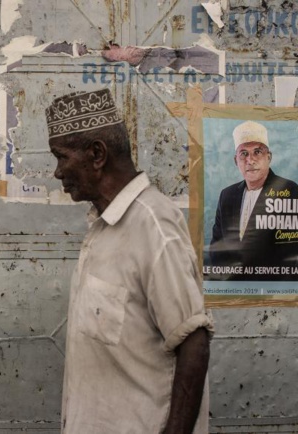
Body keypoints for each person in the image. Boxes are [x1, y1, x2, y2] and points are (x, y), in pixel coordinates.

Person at [45, 89, 213, 433]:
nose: (57, 172)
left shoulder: (153, 225)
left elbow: (193, 343)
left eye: (61, 157)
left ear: (96, 155)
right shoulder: (102, 227)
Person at [209, 120, 298, 280]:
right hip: (233, 291)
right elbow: (217, 249)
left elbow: (291, 253)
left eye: (257, 152)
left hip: (274, 293)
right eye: (244, 153)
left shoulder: (290, 191)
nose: (250, 160)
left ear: (268, 157)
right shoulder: (227, 195)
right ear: (236, 160)